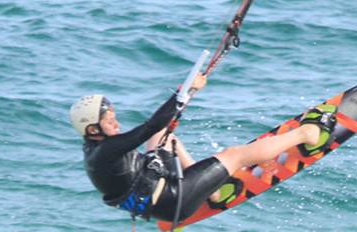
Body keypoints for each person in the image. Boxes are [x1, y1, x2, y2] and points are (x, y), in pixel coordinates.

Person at [70, 75, 336, 222]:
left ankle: (216, 192)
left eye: (114, 117)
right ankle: (309, 134)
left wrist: (186, 94)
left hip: (155, 191)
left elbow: (158, 127)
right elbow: (150, 126)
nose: (116, 124)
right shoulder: (106, 151)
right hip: (174, 200)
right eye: (109, 121)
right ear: (93, 130)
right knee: (234, 155)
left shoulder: (97, 147)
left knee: (165, 135)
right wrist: (184, 93)